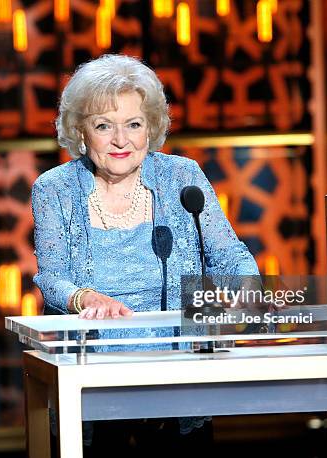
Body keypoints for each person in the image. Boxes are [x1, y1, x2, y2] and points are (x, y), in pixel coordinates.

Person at [31, 54, 259, 457]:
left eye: (134, 124)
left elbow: (229, 255)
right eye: (104, 126)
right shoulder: (55, 189)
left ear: (151, 127)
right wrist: (84, 297)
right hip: (93, 378)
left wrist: (249, 291)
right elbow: (51, 278)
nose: (121, 140)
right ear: (81, 132)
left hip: (180, 373)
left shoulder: (182, 177)